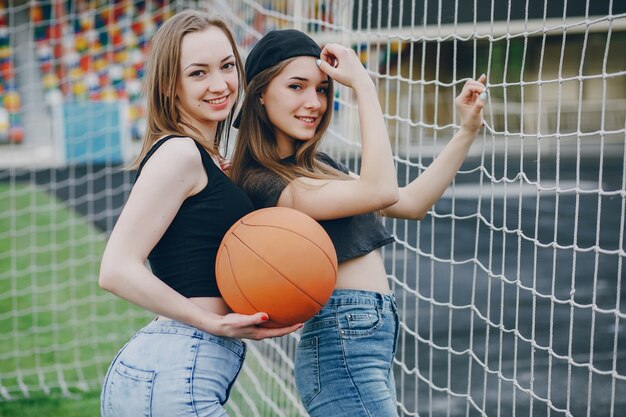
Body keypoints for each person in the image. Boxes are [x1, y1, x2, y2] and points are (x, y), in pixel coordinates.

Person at [229, 29, 486, 417]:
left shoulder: (318, 168)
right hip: (340, 342)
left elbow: (410, 201)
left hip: (366, 339)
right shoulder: (267, 183)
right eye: (296, 86)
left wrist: (466, 130)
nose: (313, 102)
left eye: (322, 89)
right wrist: (364, 86)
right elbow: (380, 190)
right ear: (260, 93)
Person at [98, 11, 301, 417]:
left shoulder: (206, 157)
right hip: (177, 370)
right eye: (198, 73)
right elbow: (115, 269)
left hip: (172, 370)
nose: (220, 84)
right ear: (170, 86)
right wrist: (213, 323)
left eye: (227, 66)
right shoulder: (179, 153)